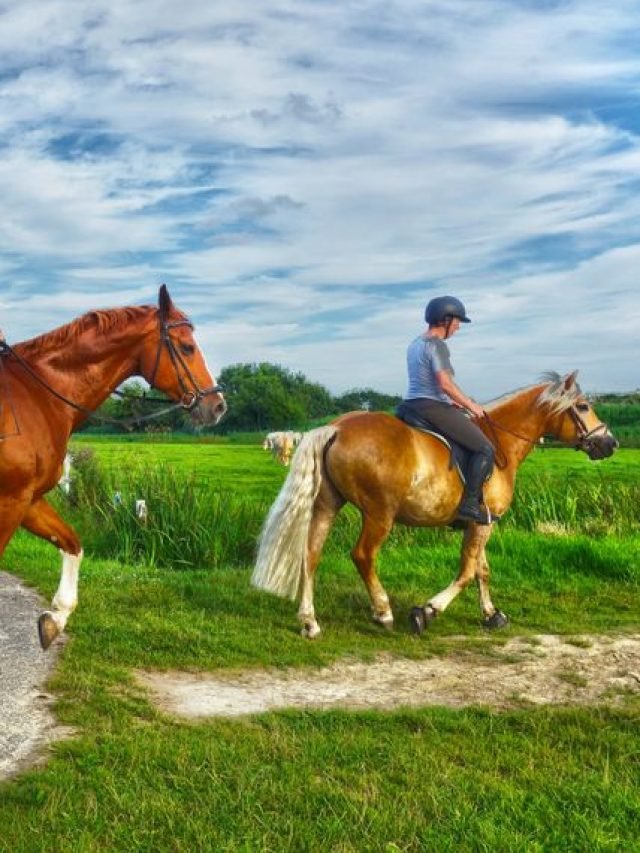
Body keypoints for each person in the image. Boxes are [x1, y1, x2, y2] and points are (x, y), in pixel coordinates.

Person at [403, 295, 495, 524]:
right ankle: (470, 506)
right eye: (457, 321)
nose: (458, 327)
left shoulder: (415, 343)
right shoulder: (438, 346)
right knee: (485, 449)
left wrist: (453, 401)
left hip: (410, 405)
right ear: (445, 320)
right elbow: (444, 383)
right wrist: (470, 405)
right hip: (431, 407)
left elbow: (429, 383)